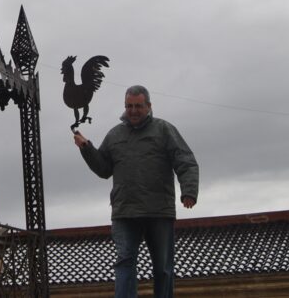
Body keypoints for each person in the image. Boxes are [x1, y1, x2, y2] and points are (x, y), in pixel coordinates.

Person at [73, 85, 199, 298]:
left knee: (163, 267)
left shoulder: (164, 129)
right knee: (124, 262)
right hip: (125, 211)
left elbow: (185, 161)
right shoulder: (114, 134)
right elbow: (104, 169)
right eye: (129, 106)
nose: (133, 110)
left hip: (158, 210)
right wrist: (87, 149)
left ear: (149, 106)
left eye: (138, 106)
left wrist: (189, 191)